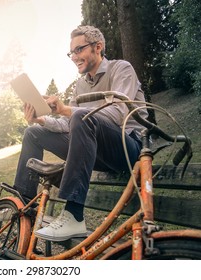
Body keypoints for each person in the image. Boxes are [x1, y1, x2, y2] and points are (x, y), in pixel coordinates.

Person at [13, 25, 148, 242]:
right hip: (94, 150)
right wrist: (41, 119)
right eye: (71, 53)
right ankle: (23, 208)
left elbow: (118, 114)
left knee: (80, 117)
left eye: (79, 50)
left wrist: (68, 110)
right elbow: (68, 125)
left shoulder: (121, 69)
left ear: (98, 47)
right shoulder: (80, 85)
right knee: (34, 132)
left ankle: (74, 215)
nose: (74, 57)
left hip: (128, 148)